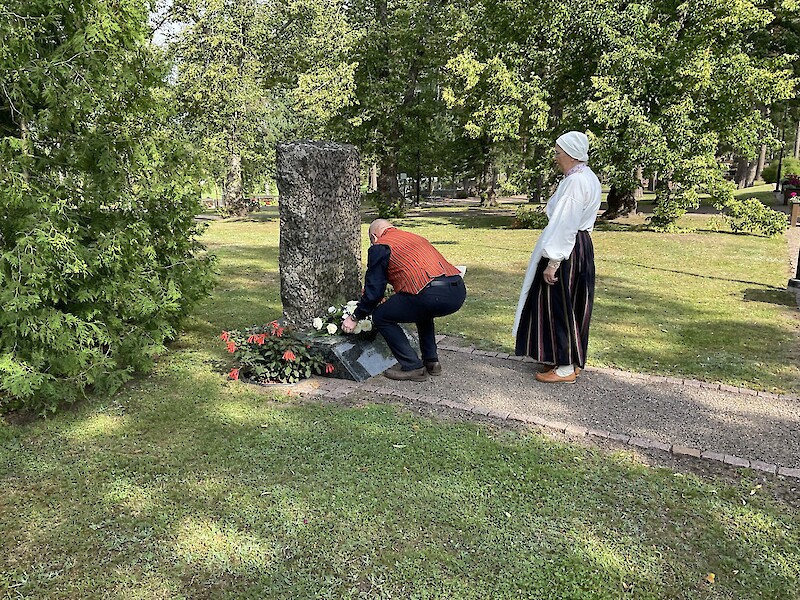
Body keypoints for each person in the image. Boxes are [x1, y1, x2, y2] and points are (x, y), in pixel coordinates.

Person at [512, 131, 602, 383]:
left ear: (571, 154)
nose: (555, 157)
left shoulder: (575, 182)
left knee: (559, 306)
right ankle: (571, 359)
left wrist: (553, 261)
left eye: (558, 153)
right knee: (575, 304)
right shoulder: (586, 177)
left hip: (568, 248)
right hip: (580, 245)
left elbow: (565, 222)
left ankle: (564, 366)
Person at [342, 219, 466, 381]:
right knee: (422, 312)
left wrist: (355, 317)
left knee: (381, 316)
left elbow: (374, 291)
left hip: (430, 294)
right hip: (457, 291)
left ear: (374, 236)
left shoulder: (381, 246)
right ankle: (432, 362)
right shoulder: (413, 237)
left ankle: (413, 367)